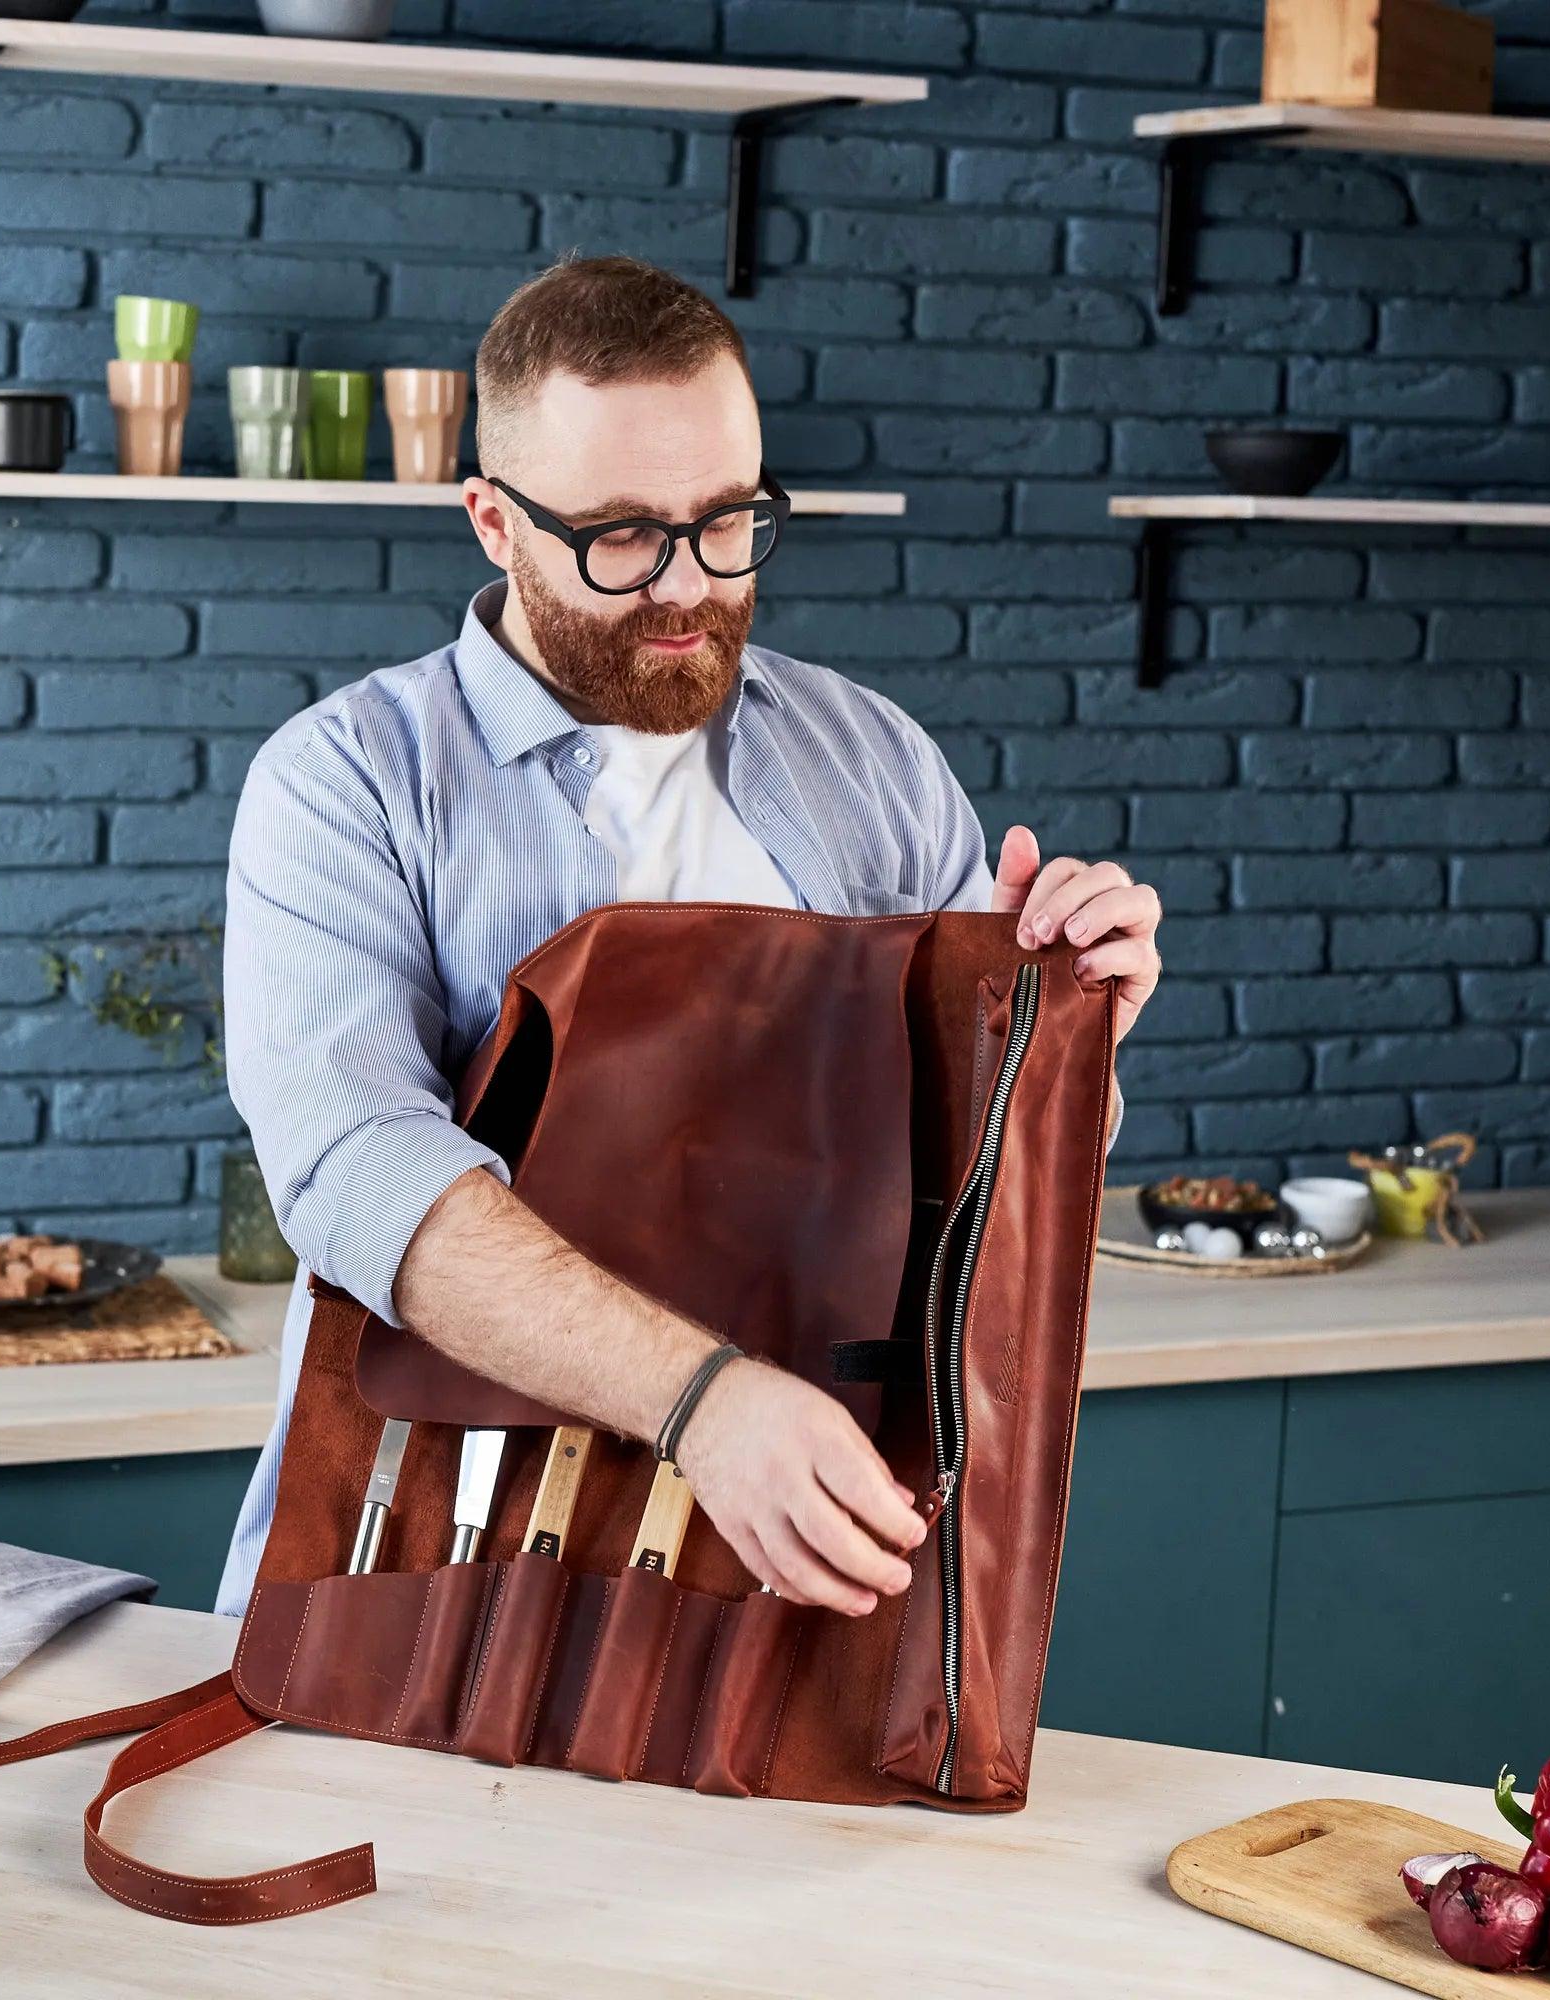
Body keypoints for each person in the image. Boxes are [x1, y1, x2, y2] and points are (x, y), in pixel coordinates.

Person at [216, 253, 1163, 1621]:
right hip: (433, 1543)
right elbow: (362, 1176)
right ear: (493, 521)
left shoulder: (873, 759)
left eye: (728, 520)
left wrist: (1073, 1047)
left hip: (806, 1554)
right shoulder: (346, 781)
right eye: (620, 537)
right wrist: (706, 1407)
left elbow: (973, 1186)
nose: (687, 587)